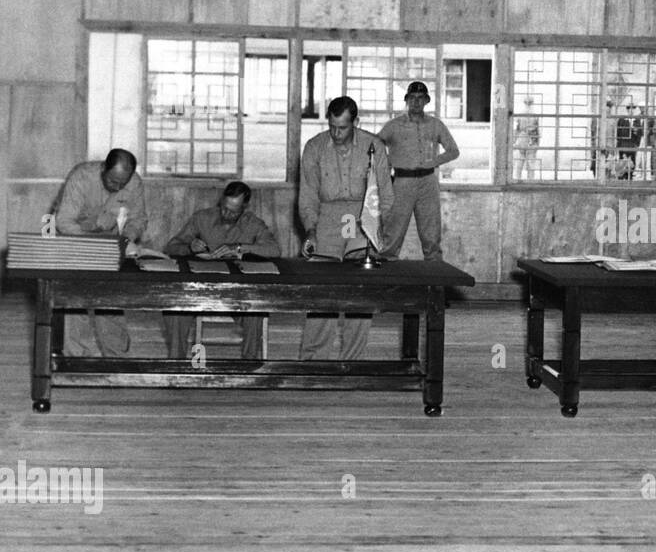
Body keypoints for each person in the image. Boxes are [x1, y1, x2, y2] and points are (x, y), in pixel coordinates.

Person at [299, 96, 394, 360]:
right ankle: (313, 361)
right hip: (328, 218)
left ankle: (352, 361)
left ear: (355, 122)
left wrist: (376, 230)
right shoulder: (314, 147)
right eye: (332, 126)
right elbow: (307, 195)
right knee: (322, 292)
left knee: (359, 292)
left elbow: (385, 195)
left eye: (342, 127)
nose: (336, 133)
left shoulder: (374, 146)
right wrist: (310, 230)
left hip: (362, 218)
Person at [160, 181, 281, 360]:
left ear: (244, 207)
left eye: (233, 212)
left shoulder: (253, 224)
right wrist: (189, 247)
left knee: (257, 308)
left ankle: (249, 365)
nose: (226, 214)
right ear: (221, 201)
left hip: (238, 292)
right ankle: (176, 365)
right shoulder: (202, 218)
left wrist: (241, 248)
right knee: (175, 308)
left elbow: (275, 250)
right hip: (200, 290)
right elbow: (171, 247)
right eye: (224, 208)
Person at [53, 148, 148, 356]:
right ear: (103, 168)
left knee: (110, 299)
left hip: (111, 244)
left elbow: (138, 220)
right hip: (76, 240)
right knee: (75, 301)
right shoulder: (82, 176)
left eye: (123, 184)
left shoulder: (134, 182)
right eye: (113, 181)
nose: (117, 187)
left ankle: (116, 357)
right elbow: (63, 221)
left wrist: (126, 240)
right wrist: (93, 246)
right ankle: (77, 357)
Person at [377, 80, 459, 260]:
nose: (416, 102)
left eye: (421, 98)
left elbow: (453, 151)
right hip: (402, 183)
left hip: (428, 182)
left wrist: (433, 162)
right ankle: (384, 282)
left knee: (431, 235)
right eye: (412, 98)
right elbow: (375, 147)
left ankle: (435, 284)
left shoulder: (435, 124)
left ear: (427, 101)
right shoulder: (394, 125)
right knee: (392, 232)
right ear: (406, 100)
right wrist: (388, 163)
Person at [513, 97, 540, 180]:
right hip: (532, 137)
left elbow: (516, 128)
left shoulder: (520, 114)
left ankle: (517, 178)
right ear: (532, 103)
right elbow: (537, 129)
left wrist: (514, 140)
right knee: (531, 160)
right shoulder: (535, 114)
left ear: (524, 103)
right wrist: (537, 142)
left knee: (520, 159)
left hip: (522, 136)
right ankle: (530, 179)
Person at [615, 103, 644, 180]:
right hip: (623, 143)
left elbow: (640, 133)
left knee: (632, 161)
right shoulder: (622, 120)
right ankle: (622, 176)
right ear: (627, 110)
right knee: (622, 160)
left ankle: (630, 176)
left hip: (632, 144)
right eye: (629, 108)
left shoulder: (636, 120)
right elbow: (618, 132)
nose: (631, 110)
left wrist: (637, 142)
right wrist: (619, 143)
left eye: (633, 108)